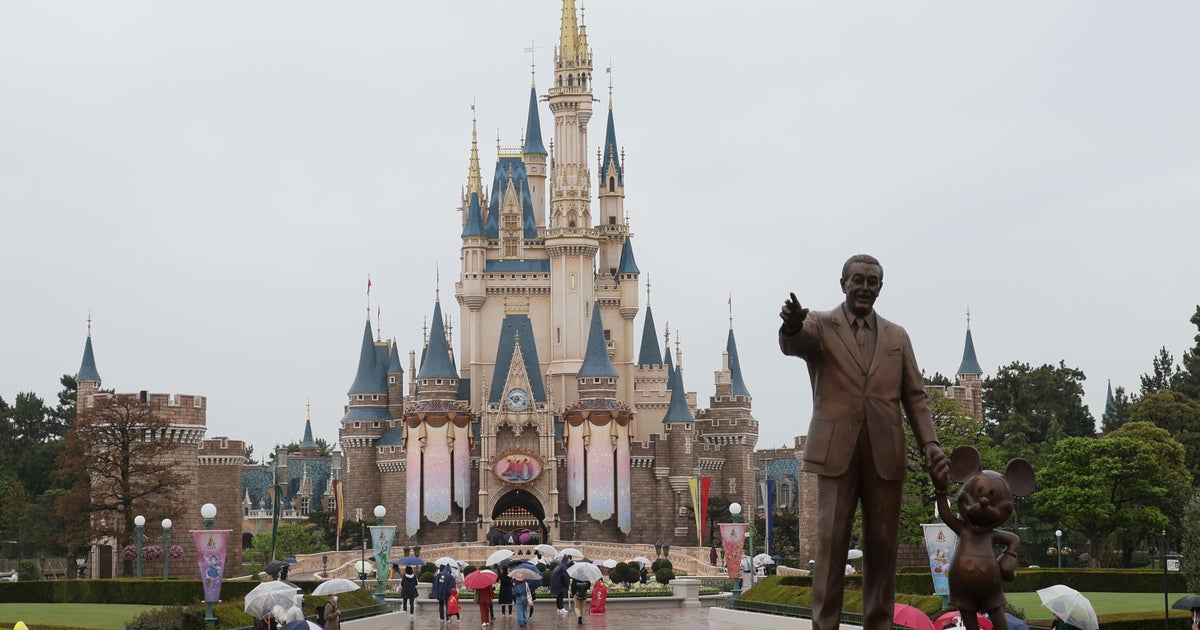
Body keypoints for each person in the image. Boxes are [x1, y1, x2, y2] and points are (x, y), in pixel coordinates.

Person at [779, 254, 948, 630]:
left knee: (883, 550)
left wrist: (930, 444)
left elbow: (915, 396)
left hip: (886, 454)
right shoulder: (820, 324)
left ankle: (879, 626)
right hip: (835, 452)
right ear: (843, 283)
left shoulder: (897, 335)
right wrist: (791, 326)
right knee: (831, 547)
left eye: (873, 282)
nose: (865, 288)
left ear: (881, 288)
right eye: (858, 280)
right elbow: (795, 342)